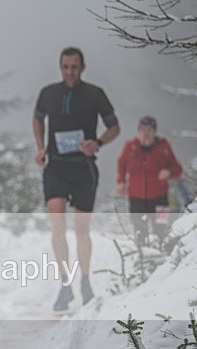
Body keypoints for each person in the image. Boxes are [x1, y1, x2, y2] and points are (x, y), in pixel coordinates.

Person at [32, 46, 120, 312]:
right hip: (56, 166)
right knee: (57, 226)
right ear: (60, 67)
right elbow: (37, 119)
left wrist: (98, 143)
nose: (69, 72)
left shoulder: (95, 94)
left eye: (74, 67)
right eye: (65, 67)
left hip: (83, 167)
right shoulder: (48, 93)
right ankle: (65, 284)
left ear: (82, 68)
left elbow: (114, 126)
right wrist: (40, 147)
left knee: (82, 230)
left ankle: (85, 281)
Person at [116, 115, 183, 246]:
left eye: (149, 130)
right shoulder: (130, 146)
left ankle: (163, 254)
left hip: (161, 197)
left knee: (161, 231)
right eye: (142, 130)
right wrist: (121, 181)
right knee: (139, 232)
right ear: (138, 131)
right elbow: (121, 163)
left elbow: (178, 169)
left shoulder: (163, 147)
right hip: (136, 198)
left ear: (154, 131)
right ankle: (142, 255)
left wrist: (169, 172)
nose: (146, 133)